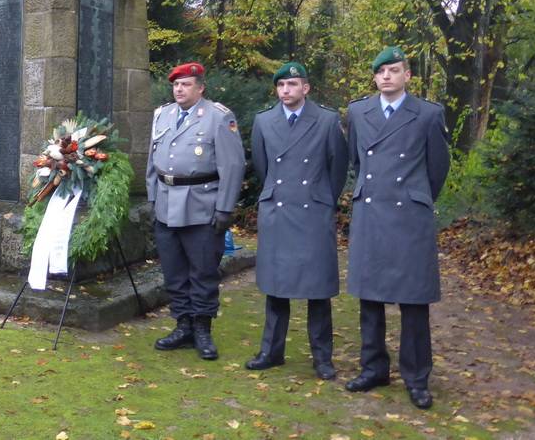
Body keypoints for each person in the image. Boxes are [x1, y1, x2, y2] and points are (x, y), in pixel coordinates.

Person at [345, 46, 450, 410]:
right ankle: (373, 368)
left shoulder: (428, 114)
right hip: (371, 211)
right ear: (374, 77)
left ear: (407, 75)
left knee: (414, 301)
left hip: (410, 217)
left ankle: (417, 377)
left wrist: (414, 195)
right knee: (370, 298)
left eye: (394, 70)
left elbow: (437, 168)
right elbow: (357, 161)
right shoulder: (358, 112)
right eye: (381, 72)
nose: (386, 76)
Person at [246, 61, 348, 380]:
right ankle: (271, 351)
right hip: (278, 210)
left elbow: (338, 168)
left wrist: (322, 200)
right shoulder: (263, 121)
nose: (286, 91)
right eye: (280, 86)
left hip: (313, 211)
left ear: (306, 88)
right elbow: (263, 168)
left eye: (292, 85)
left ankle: (322, 357)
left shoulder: (328, 120)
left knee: (317, 288)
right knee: (276, 286)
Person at [147, 62, 246, 360]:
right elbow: (152, 161)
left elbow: (233, 165)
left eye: (186, 84)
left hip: (202, 205)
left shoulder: (218, 117)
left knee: (203, 271)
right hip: (166, 203)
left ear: (200, 88)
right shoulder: (162, 114)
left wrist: (225, 208)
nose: (179, 89)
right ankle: (183, 325)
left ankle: (202, 329)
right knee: (174, 271)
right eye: (176, 85)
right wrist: (152, 198)